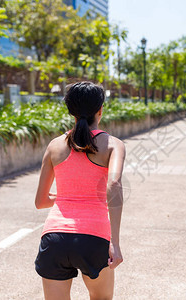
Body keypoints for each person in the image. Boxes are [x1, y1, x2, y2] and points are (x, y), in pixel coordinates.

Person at [34, 81, 125, 300]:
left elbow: (41, 201)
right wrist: (115, 243)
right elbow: (113, 185)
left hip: (54, 237)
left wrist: (67, 197)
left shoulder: (55, 145)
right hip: (94, 238)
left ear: (70, 111)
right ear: (100, 110)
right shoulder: (113, 145)